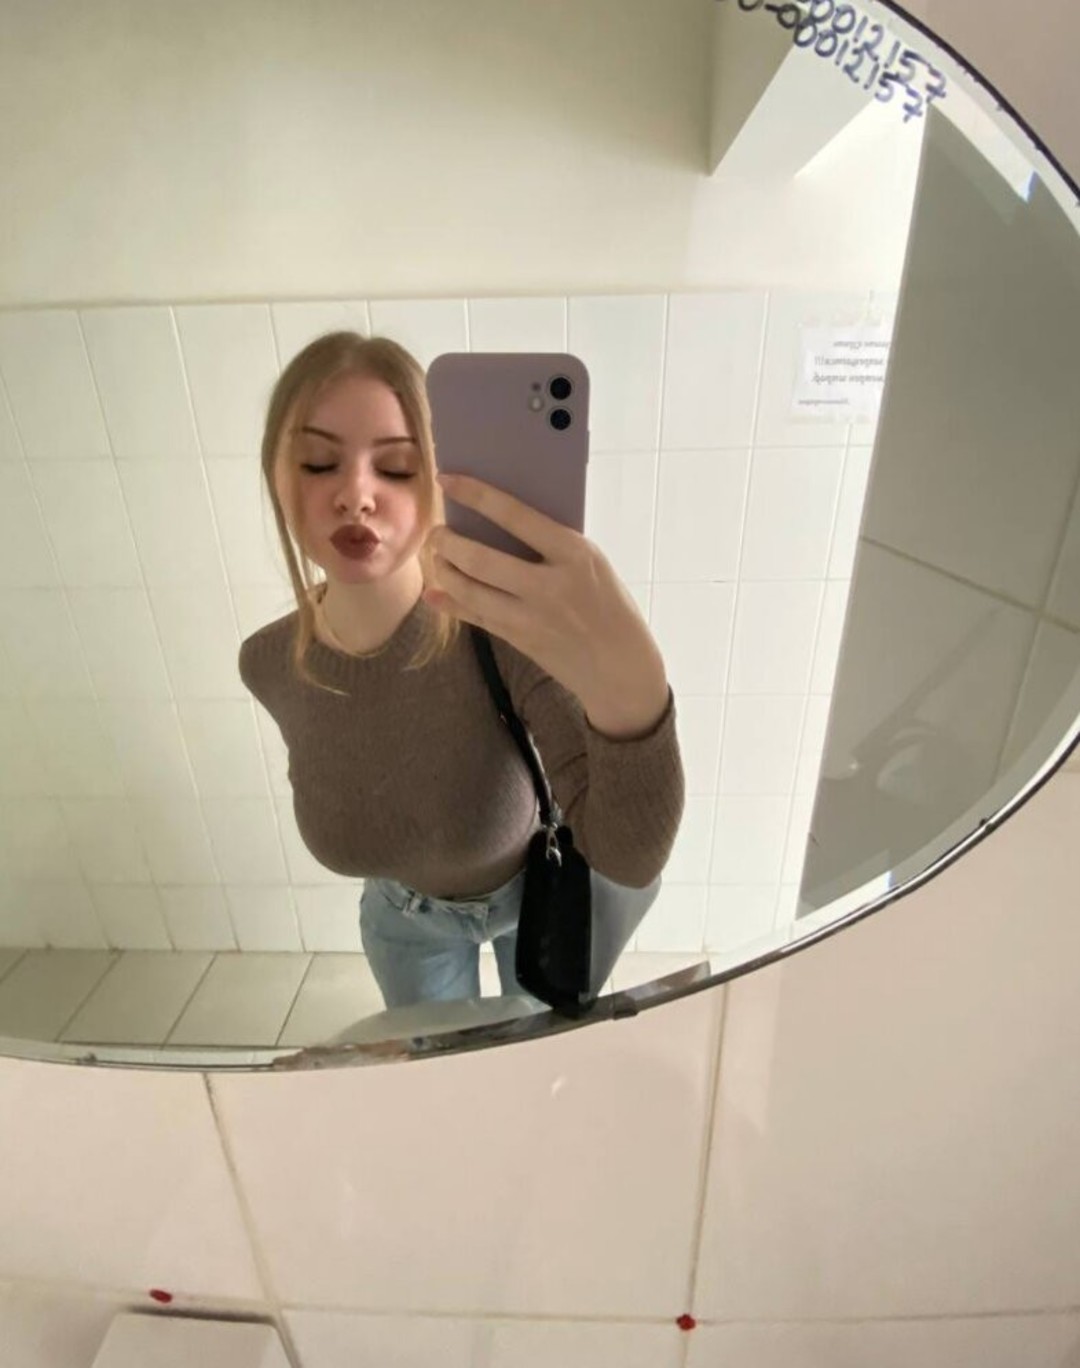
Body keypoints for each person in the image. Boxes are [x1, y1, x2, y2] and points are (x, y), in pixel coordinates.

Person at [238, 331, 685, 1010]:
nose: (356, 495)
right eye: (319, 462)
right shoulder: (268, 663)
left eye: (395, 468)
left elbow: (629, 856)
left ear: (438, 478)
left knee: (532, 1061)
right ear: (276, 473)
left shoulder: (502, 634)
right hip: (404, 926)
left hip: (537, 898)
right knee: (439, 1069)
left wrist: (633, 684)